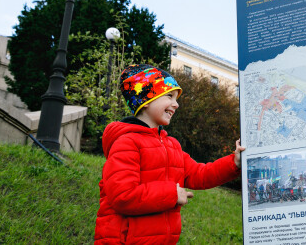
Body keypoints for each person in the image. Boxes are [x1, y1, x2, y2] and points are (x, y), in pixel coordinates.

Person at [94, 64, 245, 244]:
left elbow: (200, 174)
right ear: (146, 99)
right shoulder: (126, 142)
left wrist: (233, 162)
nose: (176, 104)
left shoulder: (171, 145)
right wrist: (172, 195)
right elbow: (123, 196)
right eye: (169, 96)